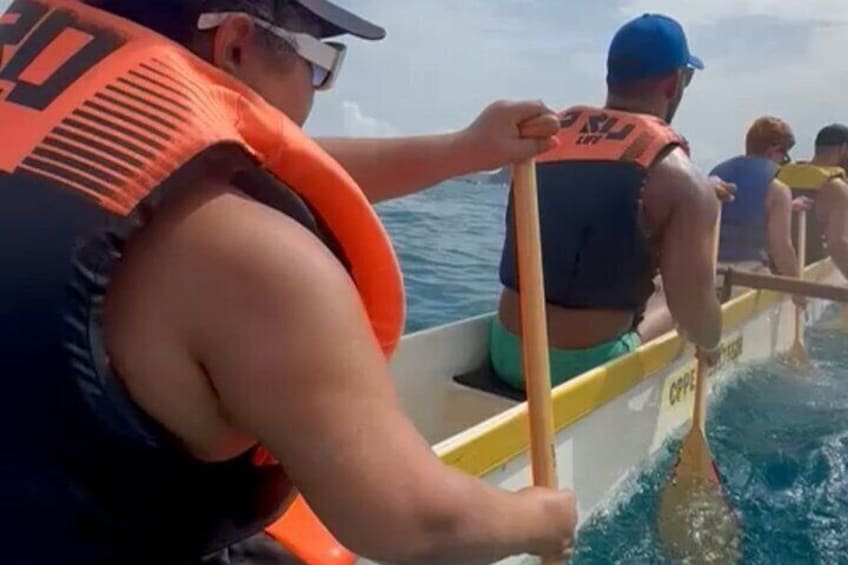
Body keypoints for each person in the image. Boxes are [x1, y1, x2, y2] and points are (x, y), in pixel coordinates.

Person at [0, 1, 577, 564]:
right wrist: (542, 517)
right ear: (235, 44)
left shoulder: (46, 157)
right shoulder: (251, 260)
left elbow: (247, 160)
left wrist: (464, 151)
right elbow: (412, 520)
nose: (318, 91)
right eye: (320, 63)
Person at [490, 13, 723, 391]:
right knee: (679, 301)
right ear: (673, 83)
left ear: (610, 77)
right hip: (581, 370)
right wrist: (713, 342)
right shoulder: (682, 180)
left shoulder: (545, 141)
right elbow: (694, 315)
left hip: (504, 351)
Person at [710, 117, 809, 303]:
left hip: (706, 269)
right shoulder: (778, 189)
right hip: (746, 274)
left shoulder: (716, 175)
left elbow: (740, 204)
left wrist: (789, 206)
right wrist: (798, 291)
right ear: (774, 150)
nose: (783, 162)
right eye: (785, 156)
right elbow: (780, 247)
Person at [777, 124, 848, 279]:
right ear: (843, 149)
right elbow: (837, 243)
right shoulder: (836, 187)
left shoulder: (780, 175)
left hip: (777, 275)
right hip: (812, 279)